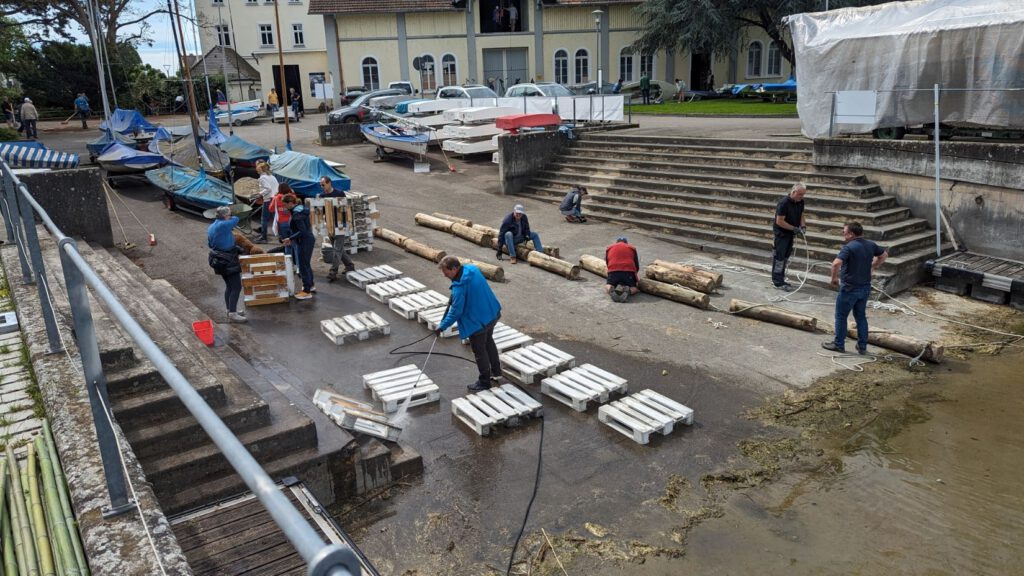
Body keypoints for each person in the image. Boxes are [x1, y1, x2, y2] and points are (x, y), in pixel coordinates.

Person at [435, 256, 503, 392]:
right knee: (489, 342)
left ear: (454, 268)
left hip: (478, 323)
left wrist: (442, 326)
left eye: (446, 272)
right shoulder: (472, 269)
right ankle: (496, 372)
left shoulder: (459, 288)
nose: (444, 275)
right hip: (492, 312)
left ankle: (484, 381)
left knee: (479, 351)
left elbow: (455, 312)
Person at [822, 222, 888, 354]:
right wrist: (873, 266)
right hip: (864, 288)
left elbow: (835, 264)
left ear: (851, 234)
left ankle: (839, 344)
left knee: (841, 316)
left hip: (849, 288)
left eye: (844, 231)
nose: (843, 233)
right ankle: (862, 346)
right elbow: (884, 255)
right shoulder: (870, 244)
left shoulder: (849, 247)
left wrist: (834, 279)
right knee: (861, 317)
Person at [207, 205, 247, 322]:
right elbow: (236, 219)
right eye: (228, 215)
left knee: (229, 286)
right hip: (227, 259)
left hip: (218, 258)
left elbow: (210, 244)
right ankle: (233, 314)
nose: (230, 217)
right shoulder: (224, 224)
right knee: (236, 287)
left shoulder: (212, 226)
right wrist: (232, 213)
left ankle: (230, 310)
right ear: (225, 216)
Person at [318, 176, 356, 281]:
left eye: (323, 184)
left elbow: (346, 209)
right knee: (338, 248)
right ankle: (350, 265)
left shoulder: (339, 194)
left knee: (336, 249)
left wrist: (347, 224)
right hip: (329, 225)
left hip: (340, 225)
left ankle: (333, 272)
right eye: (321, 185)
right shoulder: (321, 196)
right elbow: (321, 212)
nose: (322, 187)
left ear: (329, 183)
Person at [772, 182, 807, 291]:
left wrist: (803, 226)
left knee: (786, 257)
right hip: (781, 234)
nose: (802, 197)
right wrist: (793, 228)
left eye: (803, 195)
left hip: (790, 234)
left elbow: (801, 215)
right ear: (793, 192)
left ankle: (781, 278)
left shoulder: (800, 202)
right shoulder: (783, 203)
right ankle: (777, 281)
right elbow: (779, 221)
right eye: (800, 194)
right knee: (779, 258)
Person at [280, 194, 315, 300]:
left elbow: (302, 231)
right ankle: (310, 285)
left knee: (303, 265)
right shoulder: (301, 209)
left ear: (291, 203)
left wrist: (290, 238)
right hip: (307, 239)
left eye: (285, 205)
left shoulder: (296, 214)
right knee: (306, 264)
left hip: (304, 241)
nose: (284, 207)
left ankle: (306, 291)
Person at [605, 236, 640, 302]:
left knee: (608, 284)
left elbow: (607, 262)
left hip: (613, 271)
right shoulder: (632, 248)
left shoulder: (609, 248)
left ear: (616, 242)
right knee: (634, 287)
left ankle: (610, 290)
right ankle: (628, 291)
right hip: (628, 272)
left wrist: (610, 273)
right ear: (626, 243)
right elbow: (636, 265)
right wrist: (634, 278)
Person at [268, 182, 295, 262]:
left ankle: (288, 263)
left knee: (286, 244)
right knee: (294, 243)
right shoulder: (292, 197)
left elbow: (271, 209)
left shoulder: (276, 198)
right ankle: (296, 262)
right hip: (292, 221)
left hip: (282, 223)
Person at [255, 160, 279, 243]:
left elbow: (268, 188)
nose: (256, 170)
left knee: (264, 219)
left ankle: (263, 237)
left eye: (257, 168)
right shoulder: (272, 176)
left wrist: (259, 194)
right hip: (274, 199)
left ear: (261, 169)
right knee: (276, 218)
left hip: (268, 199)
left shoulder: (262, 178)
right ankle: (282, 235)